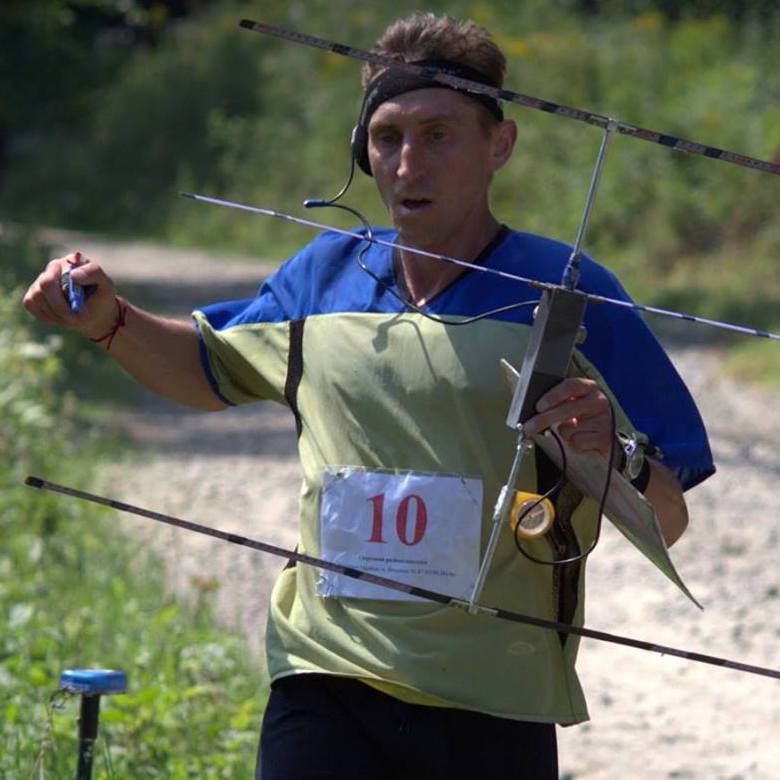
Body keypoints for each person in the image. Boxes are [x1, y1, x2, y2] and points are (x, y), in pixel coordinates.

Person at [23, 12, 713, 779]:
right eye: (386, 139)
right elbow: (206, 370)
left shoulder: (571, 293)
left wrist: (606, 451)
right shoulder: (322, 275)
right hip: (324, 674)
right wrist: (110, 320)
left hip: (494, 696)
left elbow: (671, 517)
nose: (407, 164)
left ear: (500, 146)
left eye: (438, 135)